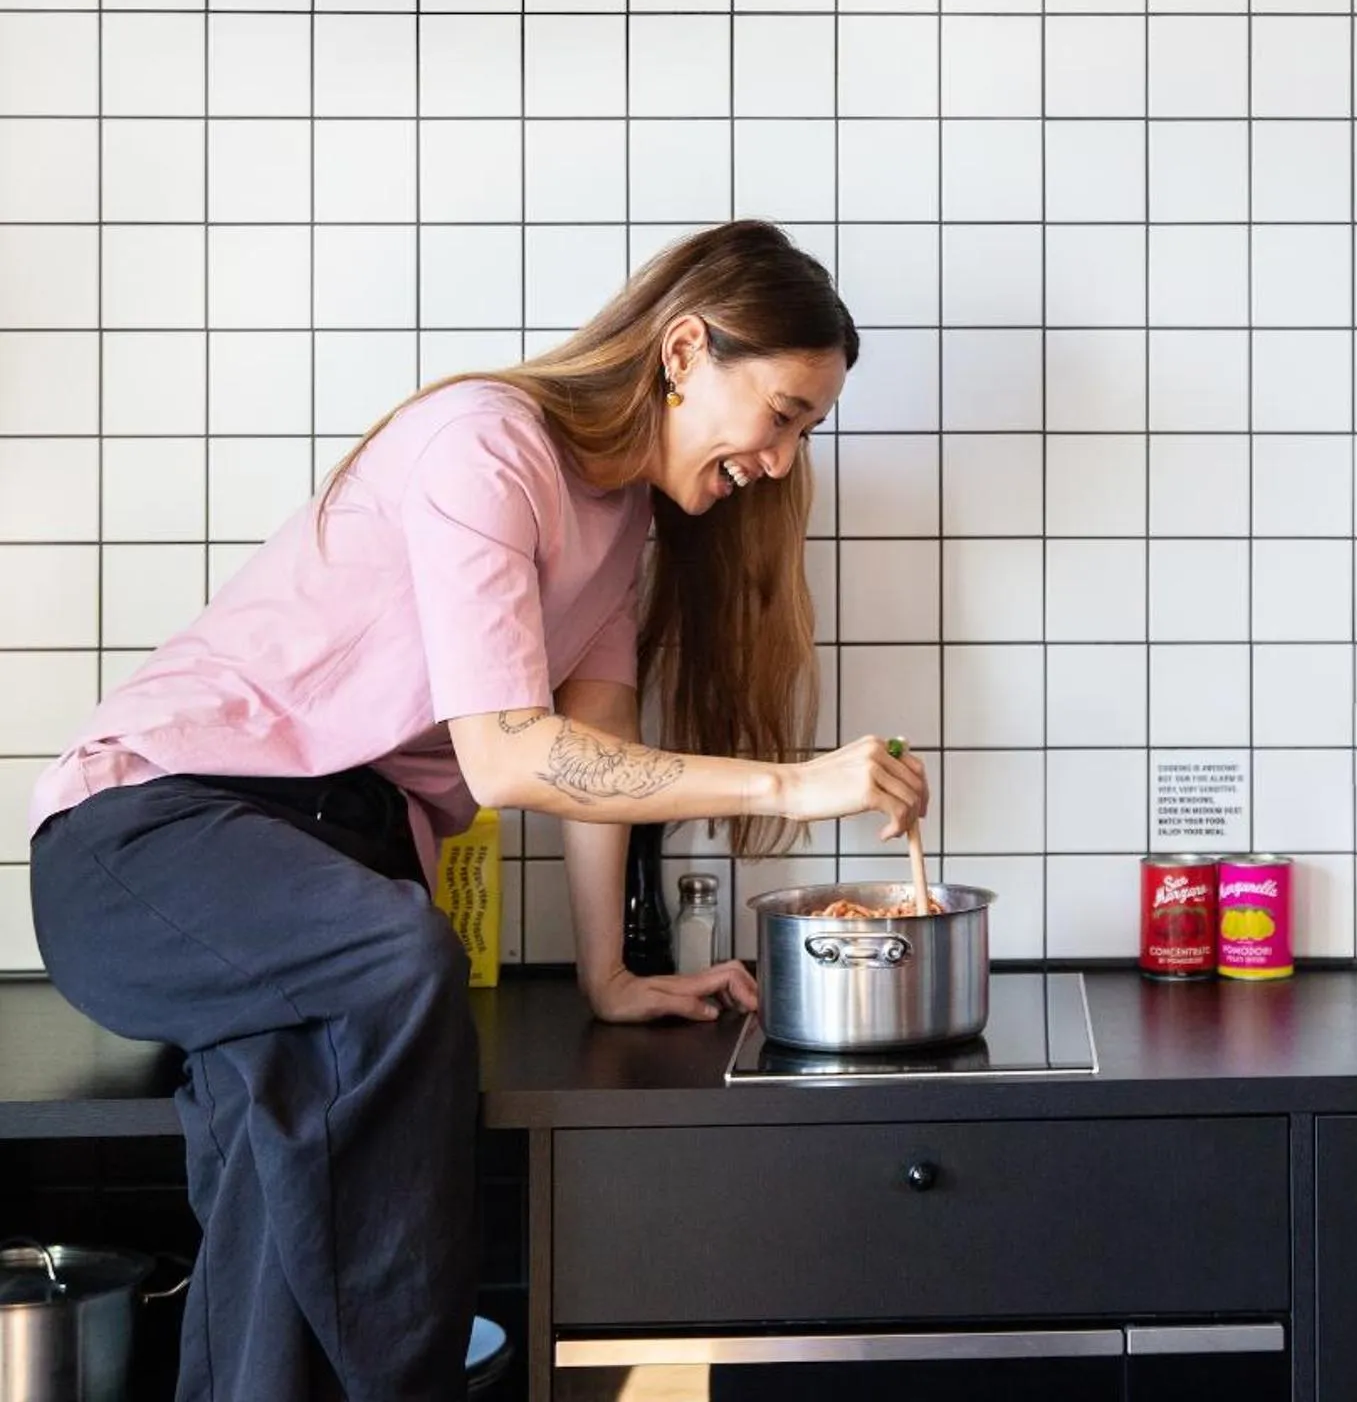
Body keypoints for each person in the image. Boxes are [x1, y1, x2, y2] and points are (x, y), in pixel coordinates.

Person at [26, 220, 932, 1402]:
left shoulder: (621, 530)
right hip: (148, 836)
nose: (780, 459)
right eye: (784, 414)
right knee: (397, 956)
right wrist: (794, 784)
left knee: (279, 1116)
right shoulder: (487, 443)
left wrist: (608, 973)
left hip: (325, 878)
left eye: (805, 432)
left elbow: (591, 761)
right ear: (684, 352)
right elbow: (508, 757)